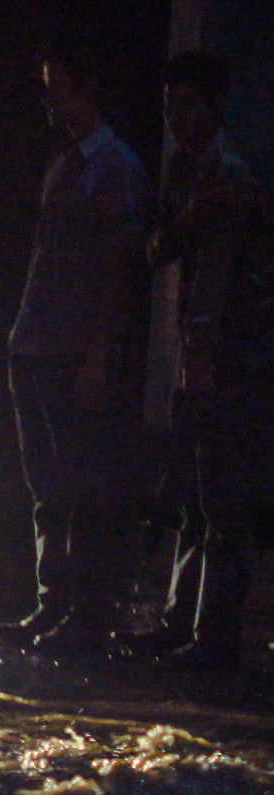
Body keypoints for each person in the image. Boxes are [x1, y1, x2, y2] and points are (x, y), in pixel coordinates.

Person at [0, 38, 150, 655]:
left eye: (62, 88)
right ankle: (54, 605)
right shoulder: (69, 162)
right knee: (48, 484)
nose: (52, 101)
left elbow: (119, 269)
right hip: (37, 344)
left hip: (69, 348)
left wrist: (99, 352)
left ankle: (84, 614)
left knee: (80, 484)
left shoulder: (112, 167)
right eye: (48, 88)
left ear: (88, 91)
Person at [118, 50, 272, 671]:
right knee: (192, 497)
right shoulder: (190, 171)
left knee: (222, 505)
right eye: (169, 105)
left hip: (234, 359)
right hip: (205, 354)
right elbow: (161, 249)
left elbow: (217, 280)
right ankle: (186, 626)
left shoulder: (228, 178)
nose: (176, 118)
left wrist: (203, 361)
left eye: (187, 104)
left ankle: (211, 642)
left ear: (214, 107)